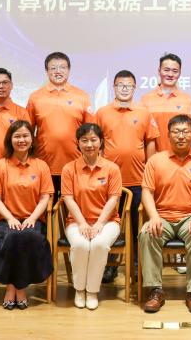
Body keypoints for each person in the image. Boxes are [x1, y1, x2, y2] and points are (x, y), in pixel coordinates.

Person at [139, 115, 191, 314]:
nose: (181, 136)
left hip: (190, 216)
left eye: (185, 131)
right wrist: (153, 217)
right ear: (168, 135)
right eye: (176, 132)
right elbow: (147, 191)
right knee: (147, 233)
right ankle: (155, 291)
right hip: (162, 216)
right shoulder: (155, 160)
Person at [0, 120, 55, 310]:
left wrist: (32, 218)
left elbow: (45, 197)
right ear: (10, 140)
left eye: (25, 136)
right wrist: (10, 218)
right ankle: (18, 288)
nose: (22, 140)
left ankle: (13, 287)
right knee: (13, 236)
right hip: (5, 220)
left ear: (32, 139)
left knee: (25, 235)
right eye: (17, 136)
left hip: (32, 219)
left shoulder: (41, 166)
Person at [90, 69, 158, 283]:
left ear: (135, 87)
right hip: (108, 182)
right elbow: (95, 142)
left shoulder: (144, 112)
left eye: (128, 85)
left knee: (138, 226)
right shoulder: (102, 113)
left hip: (137, 180)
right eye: (120, 85)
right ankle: (109, 267)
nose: (124, 88)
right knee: (109, 226)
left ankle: (137, 266)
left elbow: (150, 142)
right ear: (114, 87)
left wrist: (149, 171)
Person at [61, 123, 122, 310]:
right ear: (78, 143)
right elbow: (68, 198)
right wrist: (81, 223)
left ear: (101, 142)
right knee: (80, 245)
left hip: (108, 222)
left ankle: (92, 291)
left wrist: (99, 224)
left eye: (93, 140)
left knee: (98, 244)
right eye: (84, 140)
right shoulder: (69, 169)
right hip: (76, 221)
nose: (89, 145)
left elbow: (113, 199)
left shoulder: (112, 168)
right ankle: (79, 290)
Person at [25, 51, 90, 195]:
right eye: (53, 68)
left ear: (69, 70)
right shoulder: (35, 97)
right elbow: (26, 132)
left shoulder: (82, 96)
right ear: (47, 71)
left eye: (62, 67)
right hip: (44, 165)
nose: (58, 71)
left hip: (76, 165)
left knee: (73, 205)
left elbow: (91, 132)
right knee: (47, 205)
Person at [141, 53, 191, 153]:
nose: (170, 74)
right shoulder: (145, 99)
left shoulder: (187, 99)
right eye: (166, 70)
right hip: (154, 157)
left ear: (179, 73)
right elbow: (142, 134)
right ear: (159, 71)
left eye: (175, 71)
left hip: (180, 157)